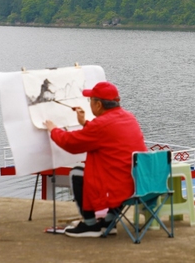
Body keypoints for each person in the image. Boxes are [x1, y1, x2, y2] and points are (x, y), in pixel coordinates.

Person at [44, 81, 147, 238]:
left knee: (76, 174)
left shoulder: (101, 124)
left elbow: (71, 143)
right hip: (136, 182)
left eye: (90, 100)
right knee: (113, 173)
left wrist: (54, 130)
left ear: (98, 104)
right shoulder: (129, 117)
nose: (89, 103)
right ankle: (109, 222)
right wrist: (85, 123)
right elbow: (107, 135)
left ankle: (90, 225)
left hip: (117, 186)